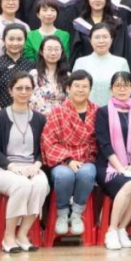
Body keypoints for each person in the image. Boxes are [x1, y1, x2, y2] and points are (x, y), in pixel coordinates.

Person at [0, 70, 50, 253]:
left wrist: (37, 165)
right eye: (19, 88)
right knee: (22, 185)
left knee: (41, 184)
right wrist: (13, 167)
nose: (24, 92)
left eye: (28, 88)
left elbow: (43, 150)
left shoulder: (39, 119)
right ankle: (8, 236)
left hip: (31, 167)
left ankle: (23, 233)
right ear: (10, 90)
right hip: (4, 169)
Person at [41, 71, 99, 237]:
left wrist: (86, 158)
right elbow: (48, 141)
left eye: (85, 86)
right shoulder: (57, 112)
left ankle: (77, 213)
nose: (80, 90)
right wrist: (68, 159)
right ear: (68, 88)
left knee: (86, 174)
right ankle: (62, 213)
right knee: (64, 176)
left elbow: (99, 141)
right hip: (62, 160)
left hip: (87, 159)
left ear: (90, 89)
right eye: (77, 86)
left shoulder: (97, 112)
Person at [95, 72, 131, 250]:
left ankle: (122, 228)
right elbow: (104, 144)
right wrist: (121, 168)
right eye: (117, 86)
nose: (122, 89)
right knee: (129, 184)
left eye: (126, 85)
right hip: (108, 165)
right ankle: (111, 230)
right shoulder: (103, 112)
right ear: (111, 89)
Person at [72, 23, 130, 105]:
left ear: (111, 39)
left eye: (105, 37)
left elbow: (126, 90)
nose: (101, 41)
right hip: (85, 109)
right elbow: (74, 91)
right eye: (97, 37)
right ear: (90, 40)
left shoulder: (121, 62)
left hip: (113, 109)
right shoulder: (80, 62)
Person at [0, 23, 36, 112]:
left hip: (26, 115)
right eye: (11, 39)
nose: (15, 43)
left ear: (25, 41)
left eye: (19, 39)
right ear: (4, 40)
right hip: (0, 114)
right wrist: (2, 115)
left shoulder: (31, 65)